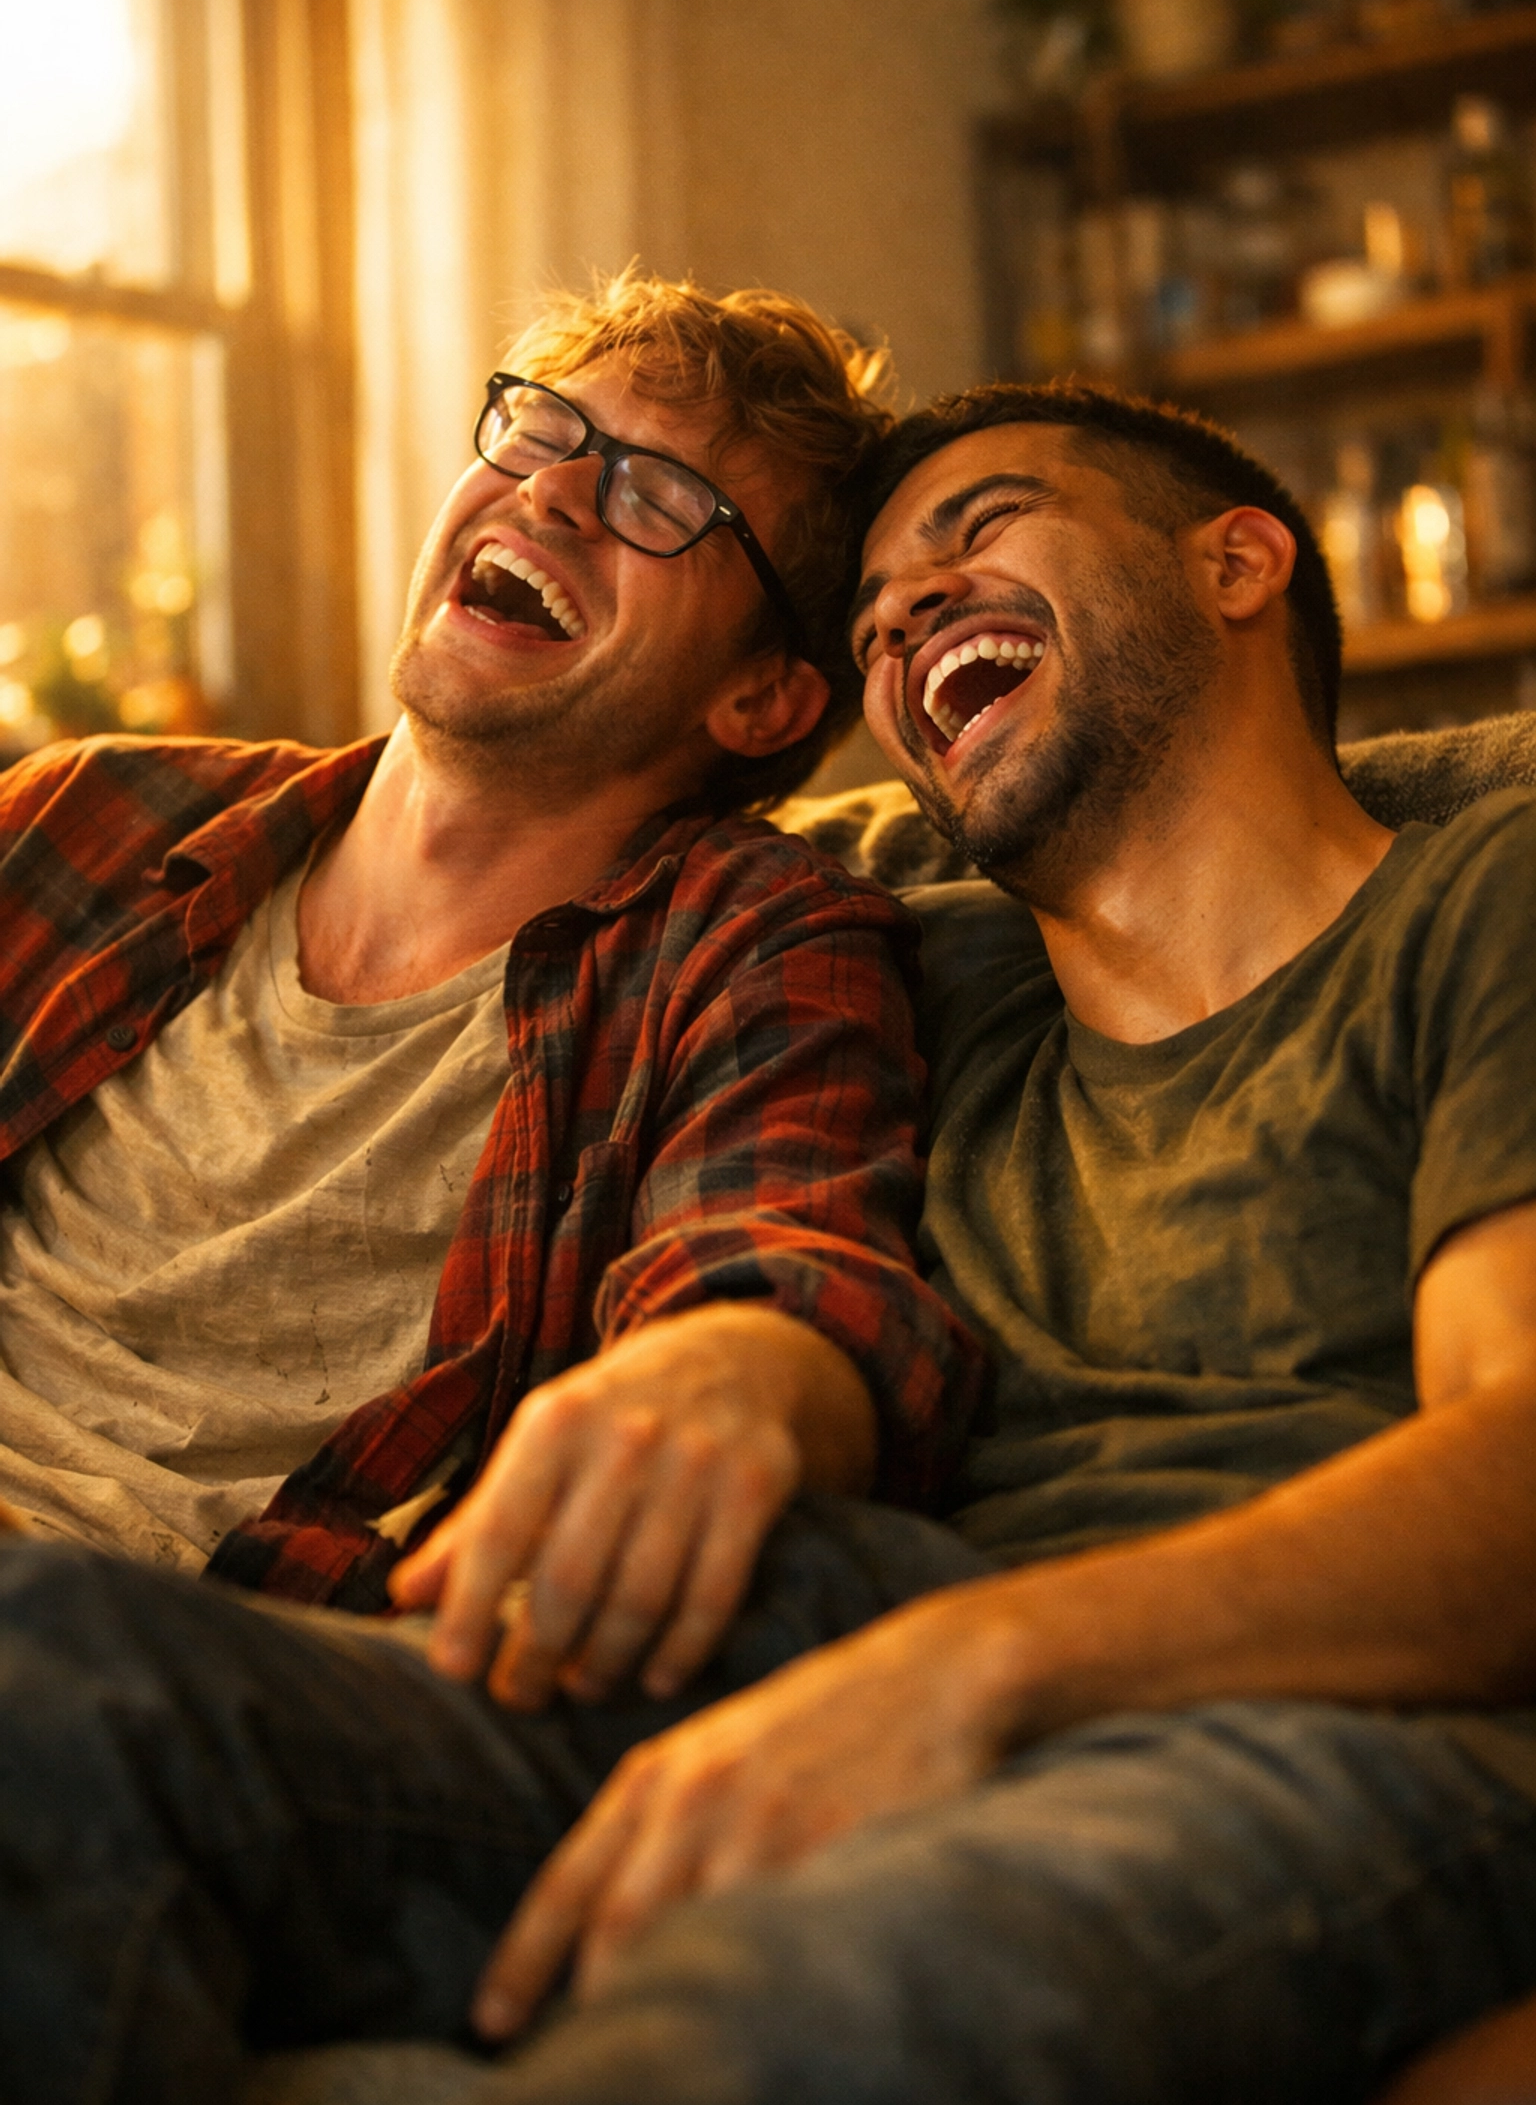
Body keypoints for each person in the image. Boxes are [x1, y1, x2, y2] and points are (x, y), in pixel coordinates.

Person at [450, 383, 1536, 2104]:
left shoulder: (1489, 900)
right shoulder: (888, 970)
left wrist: (978, 1671)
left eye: (979, 532)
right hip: (848, 1641)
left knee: (777, 2024)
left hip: (1347, 1728)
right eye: (873, 615)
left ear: (1240, 562)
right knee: (68, 1681)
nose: (904, 617)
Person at [0, 271, 995, 2099]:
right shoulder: (88, 822)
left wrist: (742, 1372)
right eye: (543, 428)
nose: (549, 493)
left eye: (656, 499)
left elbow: (794, 1265)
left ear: (769, 692)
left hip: (166, 1662)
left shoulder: (745, 940)